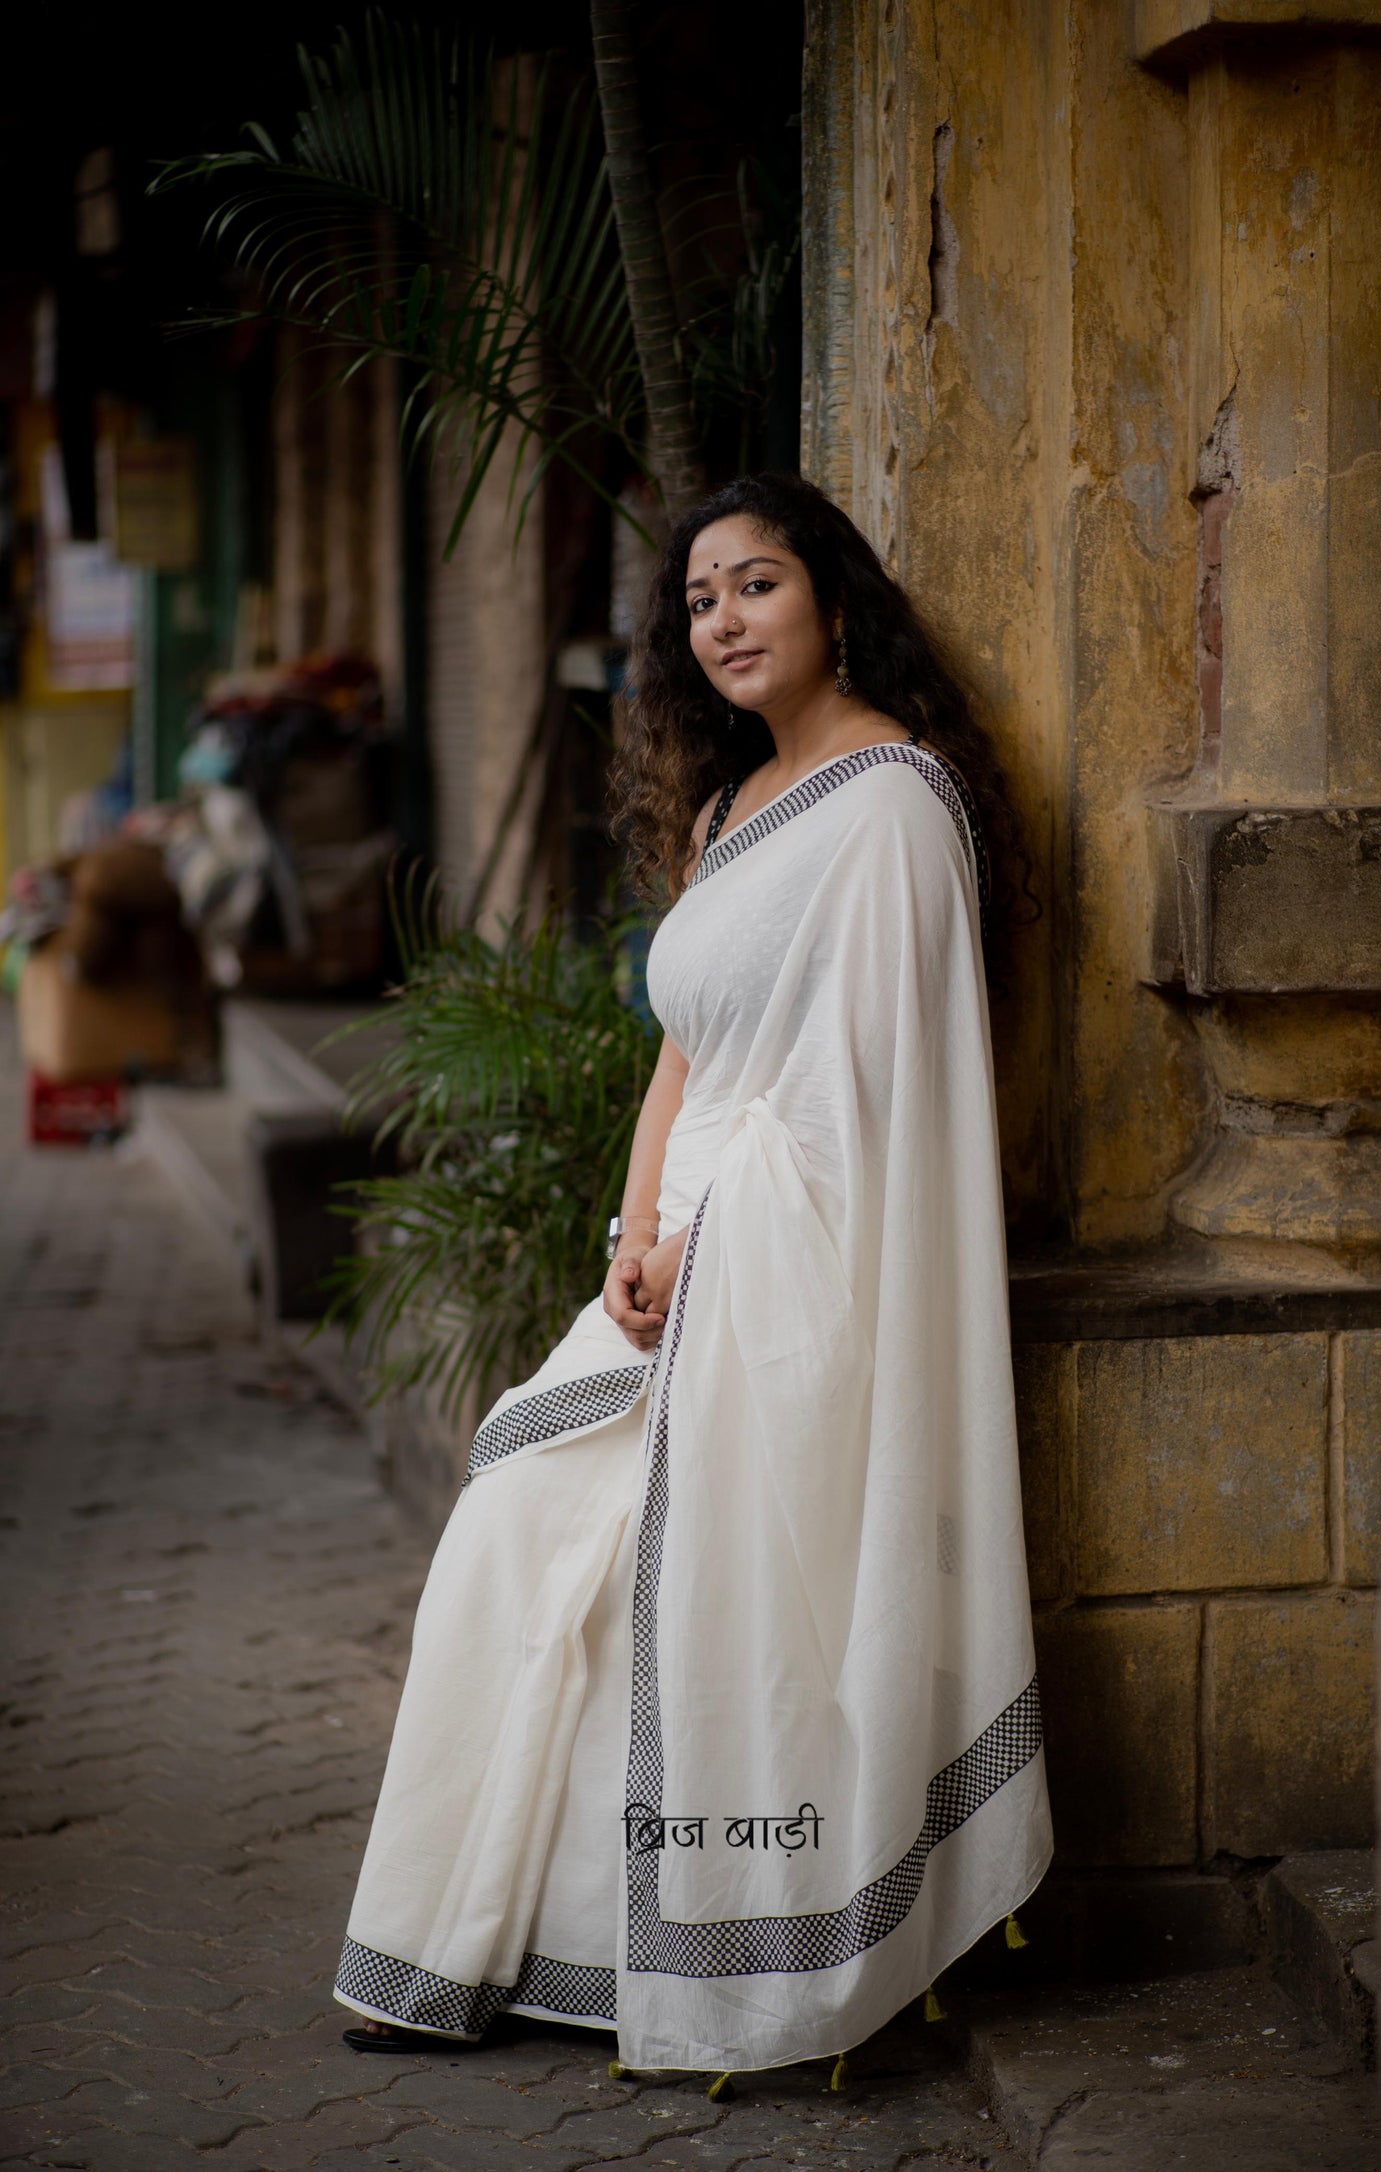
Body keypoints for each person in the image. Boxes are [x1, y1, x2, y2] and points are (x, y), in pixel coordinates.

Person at [333, 470, 1053, 2082]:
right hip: (675, 1257)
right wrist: (632, 1239)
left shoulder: (891, 803)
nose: (721, 621)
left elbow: (875, 1101)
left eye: (755, 588)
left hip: (791, 1271)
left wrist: (720, 1244)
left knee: (708, 1589)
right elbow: (685, 1060)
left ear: (835, 602)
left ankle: (755, 1945)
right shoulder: (730, 810)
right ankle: (505, 1935)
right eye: (698, 602)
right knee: (526, 1522)